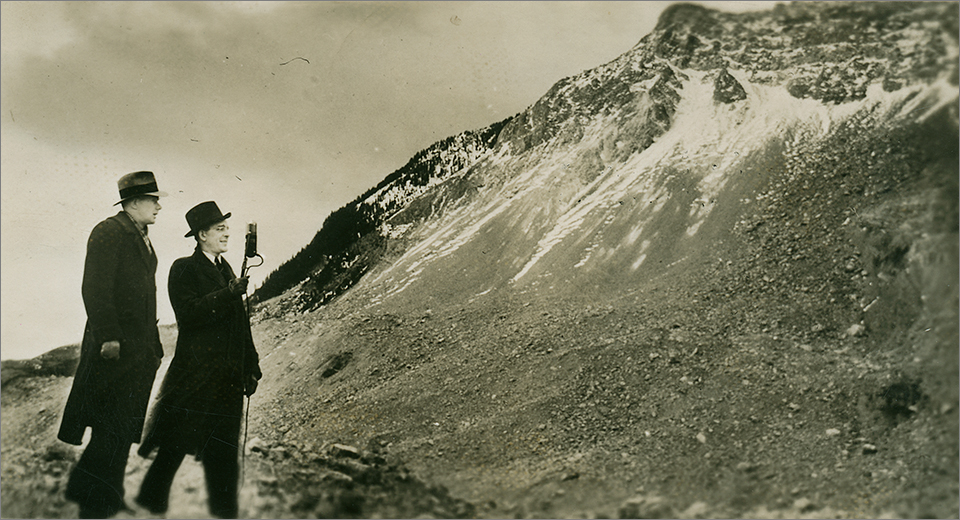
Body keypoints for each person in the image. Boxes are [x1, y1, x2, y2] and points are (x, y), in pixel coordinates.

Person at [135, 200, 262, 519]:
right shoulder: (184, 269)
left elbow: (239, 322)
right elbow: (189, 315)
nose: (227, 235)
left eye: (227, 229)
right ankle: (150, 506)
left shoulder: (227, 270)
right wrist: (229, 294)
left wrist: (251, 364)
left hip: (228, 377)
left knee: (223, 451)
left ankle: (224, 512)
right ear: (201, 234)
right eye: (220, 230)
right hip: (196, 376)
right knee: (175, 443)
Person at [58, 171, 167, 518]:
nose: (159, 206)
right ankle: (94, 500)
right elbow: (95, 288)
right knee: (111, 424)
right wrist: (108, 336)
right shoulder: (109, 231)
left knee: (123, 425)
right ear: (134, 203)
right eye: (153, 200)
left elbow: (144, 298)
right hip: (115, 350)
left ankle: (104, 491)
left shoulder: (140, 236)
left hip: (138, 351)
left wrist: (154, 344)